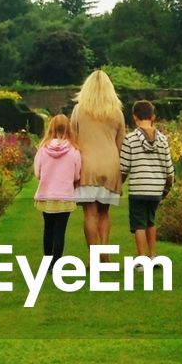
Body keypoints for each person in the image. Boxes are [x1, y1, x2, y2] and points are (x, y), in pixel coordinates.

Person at [69, 69, 125, 252]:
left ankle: (93, 258)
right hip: (110, 165)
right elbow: (121, 144)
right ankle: (105, 254)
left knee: (90, 214)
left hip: (87, 166)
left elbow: (73, 139)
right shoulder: (117, 113)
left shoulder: (79, 110)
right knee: (104, 213)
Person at [118, 99, 174, 258]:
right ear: (153, 117)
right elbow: (169, 170)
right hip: (156, 189)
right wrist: (166, 189)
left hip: (138, 190)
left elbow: (124, 168)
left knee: (139, 225)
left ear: (135, 117)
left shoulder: (130, 139)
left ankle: (142, 258)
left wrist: (119, 185)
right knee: (151, 222)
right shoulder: (163, 140)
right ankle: (153, 255)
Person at [32, 113, 81, 260]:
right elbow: (77, 175)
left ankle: (47, 261)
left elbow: (37, 173)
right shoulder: (74, 151)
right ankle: (56, 262)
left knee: (48, 228)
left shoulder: (43, 149)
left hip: (47, 195)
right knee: (60, 231)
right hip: (65, 196)